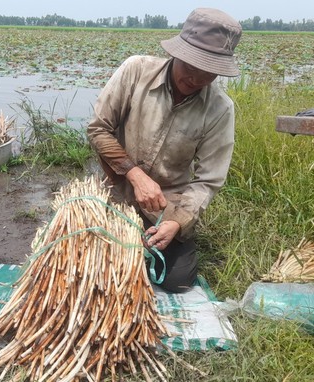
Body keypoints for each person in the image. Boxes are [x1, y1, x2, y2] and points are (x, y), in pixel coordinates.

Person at [87, 8, 242, 293]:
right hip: (115, 187)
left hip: (165, 204)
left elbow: (208, 181)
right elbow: (98, 129)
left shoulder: (220, 109)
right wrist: (134, 174)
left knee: (178, 281)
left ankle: (147, 243)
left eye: (208, 73)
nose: (196, 79)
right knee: (91, 265)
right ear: (177, 54)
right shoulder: (136, 71)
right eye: (191, 67)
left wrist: (177, 223)